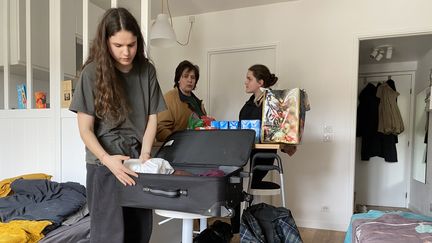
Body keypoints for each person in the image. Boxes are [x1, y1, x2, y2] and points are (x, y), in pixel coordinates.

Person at [69, 8, 166, 243]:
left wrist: (145, 153)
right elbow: (85, 129)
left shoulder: (147, 70)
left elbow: (152, 117)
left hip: (136, 162)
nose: (126, 52)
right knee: (108, 236)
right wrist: (107, 160)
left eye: (131, 45)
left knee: (139, 232)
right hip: (104, 164)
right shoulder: (91, 73)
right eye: (118, 45)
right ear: (106, 43)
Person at [232, 64, 297, 233]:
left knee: (236, 180)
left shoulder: (272, 105)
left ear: (260, 82)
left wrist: (286, 145)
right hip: (247, 155)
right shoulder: (249, 104)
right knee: (229, 176)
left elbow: (280, 131)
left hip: (260, 158)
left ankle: (243, 226)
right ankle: (240, 226)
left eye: (249, 79)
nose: (245, 82)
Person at [156, 60, 206, 142]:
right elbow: (160, 128)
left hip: (197, 145)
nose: (190, 80)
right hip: (178, 149)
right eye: (186, 76)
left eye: (193, 77)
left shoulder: (197, 101)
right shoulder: (169, 98)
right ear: (178, 79)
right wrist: (177, 142)